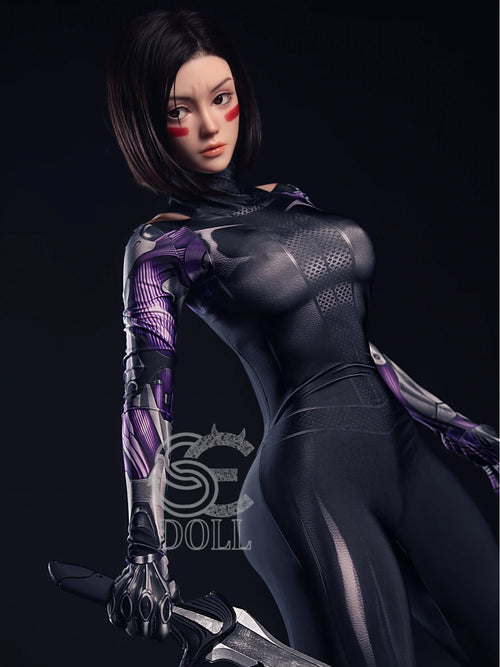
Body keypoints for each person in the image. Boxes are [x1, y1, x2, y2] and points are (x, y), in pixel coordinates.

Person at [105, 9, 498, 666]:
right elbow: (145, 397)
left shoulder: (289, 198)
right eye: (180, 111)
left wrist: (459, 427)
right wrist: (146, 547)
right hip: (315, 474)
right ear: (146, 123)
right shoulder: (162, 246)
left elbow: (351, 343)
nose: (210, 127)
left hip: (401, 451)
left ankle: (247, 652)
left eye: (221, 98)